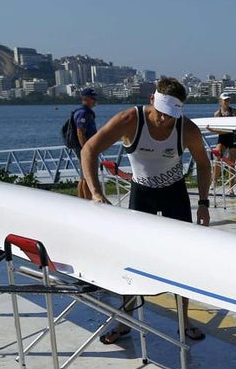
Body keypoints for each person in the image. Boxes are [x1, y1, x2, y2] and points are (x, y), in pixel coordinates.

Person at [80, 76, 212, 344]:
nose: (165, 120)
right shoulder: (130, 120)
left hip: (174, 193)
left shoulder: (187, 129)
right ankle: (125, 320)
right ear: (152, 100)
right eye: (162, 114)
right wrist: (96, 192)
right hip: (142, 194)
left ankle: (183, 319)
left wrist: (203, 203)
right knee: (131, 259)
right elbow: (89, 150)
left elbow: (203, 164)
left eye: (171, 116)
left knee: (181, 258)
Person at [71, 88, 99, 199]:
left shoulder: (85, 112)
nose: (95, 101)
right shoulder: (83, 113)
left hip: (85, 147)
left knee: (83, 176)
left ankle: (81, 199)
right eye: (93, 99)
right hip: (85, 148)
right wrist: (85, 148)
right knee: (88, 175)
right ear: (86, 99)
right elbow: (80, 132)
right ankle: (87, 200)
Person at [213, 93, 236, 189]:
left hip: (233, 138)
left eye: (228, 100)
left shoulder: (234, 111)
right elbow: (218, 130)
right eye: (225, 100)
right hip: (222, 138)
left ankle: (231, 188)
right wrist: (213, 130)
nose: (227, 102)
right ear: (220, 101)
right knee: (217, 158)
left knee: (232, 164)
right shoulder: (217, 114)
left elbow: (235, 127)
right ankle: (214, 180)